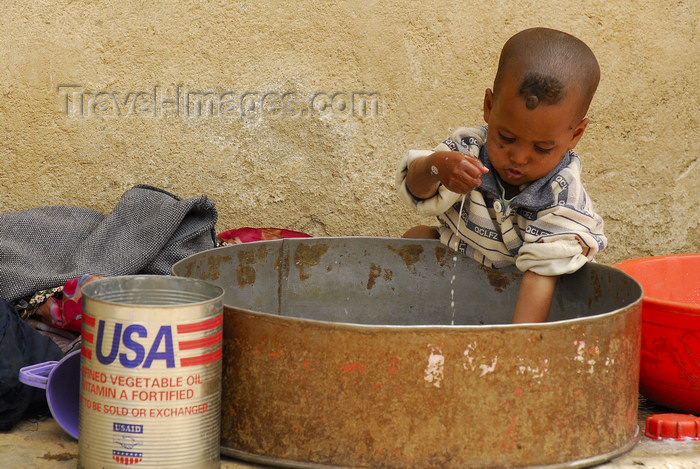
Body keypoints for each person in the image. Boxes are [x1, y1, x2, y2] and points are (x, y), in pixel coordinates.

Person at [395, 27, 607, 323]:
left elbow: (541, 275)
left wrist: (514, 351)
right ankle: (402, 320)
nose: (518, 157)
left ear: (576, 134)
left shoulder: (562, 194)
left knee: (543, 278)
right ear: (489, 107)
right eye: (505, 137)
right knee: (417, 238)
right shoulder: (468, 148)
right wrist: (438, 166)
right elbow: (416, 189)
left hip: (530, 291)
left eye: (543, 148)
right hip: (467, 264)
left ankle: (519, 346)